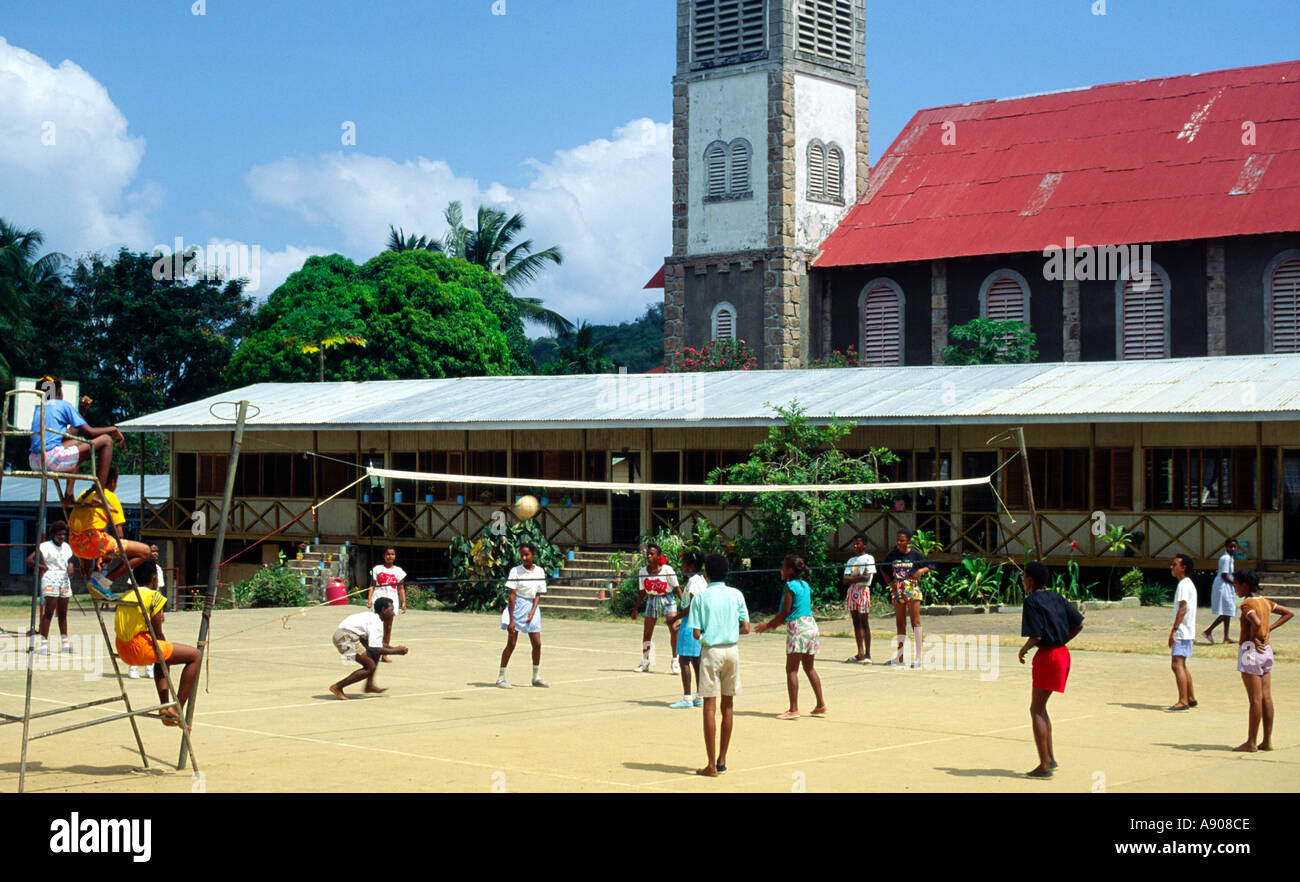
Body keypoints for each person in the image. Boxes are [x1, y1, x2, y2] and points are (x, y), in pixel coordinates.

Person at [1018, 561, 1084, 778]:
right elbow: (1079, 623)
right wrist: (1062, 639)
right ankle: (1050, 757)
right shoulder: (1056, 596)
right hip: (1063, 653)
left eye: (1024, 576)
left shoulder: (1031, 602)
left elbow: (1036, 635)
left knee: (1036, 709)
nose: (1022, 580)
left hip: (1048, 656)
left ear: (1030, 580)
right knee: (1042, 707)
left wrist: (1023, 649)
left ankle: (1044, 763)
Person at [115, 560, 202, 725]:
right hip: (139, 648)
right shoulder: (153, 596)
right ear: (154, 578)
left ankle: (164, 705)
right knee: (194, 655)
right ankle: (176, 709)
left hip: (122, 649)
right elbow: (157, 632)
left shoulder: (126, 595)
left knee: (164, 654)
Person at [691, 553, 750, 778]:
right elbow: (746, 627)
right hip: (732, 651)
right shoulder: (736, 594)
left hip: (711, 651)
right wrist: (729, 630)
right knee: (728, 706)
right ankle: (722, 759)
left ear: (706, 574)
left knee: (709, 706)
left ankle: (710, 765)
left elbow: (696, 632)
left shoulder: (701, 598)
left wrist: (710, 633)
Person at [27, 377, 125, 504]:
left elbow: (71, 434)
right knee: (106, 440)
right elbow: (90, 431)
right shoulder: (63, 405)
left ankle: (68, 494)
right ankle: (99, 495)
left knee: (78, 443)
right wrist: (113, 429)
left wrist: (82, 411)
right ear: (59, 392)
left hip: (34, 461)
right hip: (51, 460)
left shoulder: (39, 408)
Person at [755, 555, 827, 719]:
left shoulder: (789, 586)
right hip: (811, 626)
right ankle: (820, 704)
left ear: (789, 571)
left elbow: (785, 612)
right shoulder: (805, 585)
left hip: (798, 628)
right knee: (809, 668)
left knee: (791, 670)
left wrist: (768, 625)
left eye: (782, 567)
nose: (780, 570)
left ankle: (793, 709)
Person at [1232, 570, 1292, 752]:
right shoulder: (1265, 601)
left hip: (1251, 651)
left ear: (1244, 585)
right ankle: (1266, 740)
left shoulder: (1247, 603)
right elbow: (1288, 613)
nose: (1234, 588)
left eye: (1236, 584)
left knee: (1255, 700)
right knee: (1266, 697)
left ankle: (1251, 742)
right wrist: (1268, 629)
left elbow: (1256, 622)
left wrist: (1252, 636)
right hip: (1266, 649)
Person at [67, 465, 151, 596]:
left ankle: (97, 575)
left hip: (76, 545)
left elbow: (83, 526)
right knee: (145, 551)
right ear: (112, 482)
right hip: (93, 543)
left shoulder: (84, 495)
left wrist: (92, 559)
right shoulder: (109, 496)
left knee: (106, 545)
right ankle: (104, 582)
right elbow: (119, 534)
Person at [329, 597, 409, 700]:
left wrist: (393, 648)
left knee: (374, 656)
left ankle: (369, 685)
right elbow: (375, 648)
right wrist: (397, 651)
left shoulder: (373, 617)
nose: (393, 613)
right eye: (392, 609)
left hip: (347, 636)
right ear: (384, 610)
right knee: (370, 667)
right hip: (345, 638)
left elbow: (377, 645)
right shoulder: (376, 622)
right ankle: (337, 687)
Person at [497, 542, 548, 688]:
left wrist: (532, 611)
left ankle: (535, 677)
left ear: (533, 555)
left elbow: (538, 593)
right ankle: (501, 677)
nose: (524, 558)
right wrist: (511, 620)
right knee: (511, 644)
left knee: (537, 644)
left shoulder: (539, 571)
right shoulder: (515, 571)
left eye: (527, 555)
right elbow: (512, 595)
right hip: (517, 606)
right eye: (522, 555)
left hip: (532, 607)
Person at [881, 530, 932, 668]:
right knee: (900, 623)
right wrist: (890, 583)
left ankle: (918, 657)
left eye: (902, 540)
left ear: (908, 541)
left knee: (915, 622)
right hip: (897, 589)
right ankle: (900, 657)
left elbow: (930, 566)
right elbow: (883, 569)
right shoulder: (892, 555)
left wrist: (921, 571)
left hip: (911, 589)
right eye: (898, 540)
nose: (899, 543)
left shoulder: (915, 554)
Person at [26, 520, 76, 655]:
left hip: (64, 579)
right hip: (51, 578)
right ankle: (43, 645)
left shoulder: (67, 547)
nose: (62, 537)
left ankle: (65, 644)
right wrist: (43, 567)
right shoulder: (45, 546)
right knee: (49, 611)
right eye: (59, 535)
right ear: (53, 535)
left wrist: (70, 567)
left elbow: (69, 561)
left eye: (64, 535)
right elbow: (29, 560)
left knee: (63, 613)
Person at [631, 543, 680, 673]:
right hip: (652, 599)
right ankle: (645, 661)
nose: (649, 556)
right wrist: (635, 608)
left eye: (652, 554)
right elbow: (642, 592)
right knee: (647, 632)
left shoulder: (667, 570)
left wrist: (685, 604)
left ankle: (675, 660)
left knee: (674, 628)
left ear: (658, 556)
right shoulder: (643, 571)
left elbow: (677, 588)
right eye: (648, 553)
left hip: (667, 599)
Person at [668, 550, 706, 708]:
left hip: (690, 623)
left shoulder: (693, 582)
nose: (682, 567)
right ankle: (699, 695)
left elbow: (692, 606)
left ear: (690, 567)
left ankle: (687, 697)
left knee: (684, 660)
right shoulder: (701, 580)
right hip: (695, 623)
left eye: (684, 564)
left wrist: (675, 618)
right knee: (696, 661)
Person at [129, 544, 164, 679]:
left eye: (156, 551)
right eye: (152, 551)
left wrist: (161, 610)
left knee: (151, 635)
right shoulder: (138, 566)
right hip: (140, 601)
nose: (155, 553)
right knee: (137, 634)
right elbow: (131, 584)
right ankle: (133, 667)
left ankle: (150, 667)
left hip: (153, 603)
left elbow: (159, 588)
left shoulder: (158, 569)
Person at [367, 546, 407, 663]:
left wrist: (404, 602)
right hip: (378, 600)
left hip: (391, 601)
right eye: (388, 554)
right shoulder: (377, 569)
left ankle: (384, 654)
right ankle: (372, 652)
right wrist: (369, 600)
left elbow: (401, 588)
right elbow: (372, 585)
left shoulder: (399, 571)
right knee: (375, 627)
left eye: (392, 554)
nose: (390, 556)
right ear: (383, 556)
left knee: (388, 628)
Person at [1168, 553, 1198, 711]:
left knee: (1176, 664)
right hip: (1187, 631)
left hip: (1182, 631)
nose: (1171, 567)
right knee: (1182, 664)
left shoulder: (1184, 585)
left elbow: (1183, 608)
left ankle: (1183, 700)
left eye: (1174, 564)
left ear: (1183, 567)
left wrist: (1174, 630)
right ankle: (1190, 697)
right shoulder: (1187, 584)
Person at [842, 532, 876, 664]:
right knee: (856, 621)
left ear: (864, 545)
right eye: (854, 544)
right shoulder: (851, 561)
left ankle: (868, 654)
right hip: (852, 592)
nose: (855, 546)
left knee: (864, 621)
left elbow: (866, 578)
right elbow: (845, 580)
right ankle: (860, 652)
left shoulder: (869, 559)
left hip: (863, 591)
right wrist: (858, 578)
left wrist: (853, 579)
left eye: (858, 544)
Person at [1203, 538, 1239, 644]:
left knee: (1228, 610)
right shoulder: (1225, 558)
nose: (1233, 548)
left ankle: (1226, 637)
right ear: (1226, 546)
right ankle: (1208, 631)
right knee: (1228, 610)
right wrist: (1235, 584)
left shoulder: (1230, 558)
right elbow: (1224, 575)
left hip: (1227, 584)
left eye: (1234, 546)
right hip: (1223, 585)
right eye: (1231, 546)